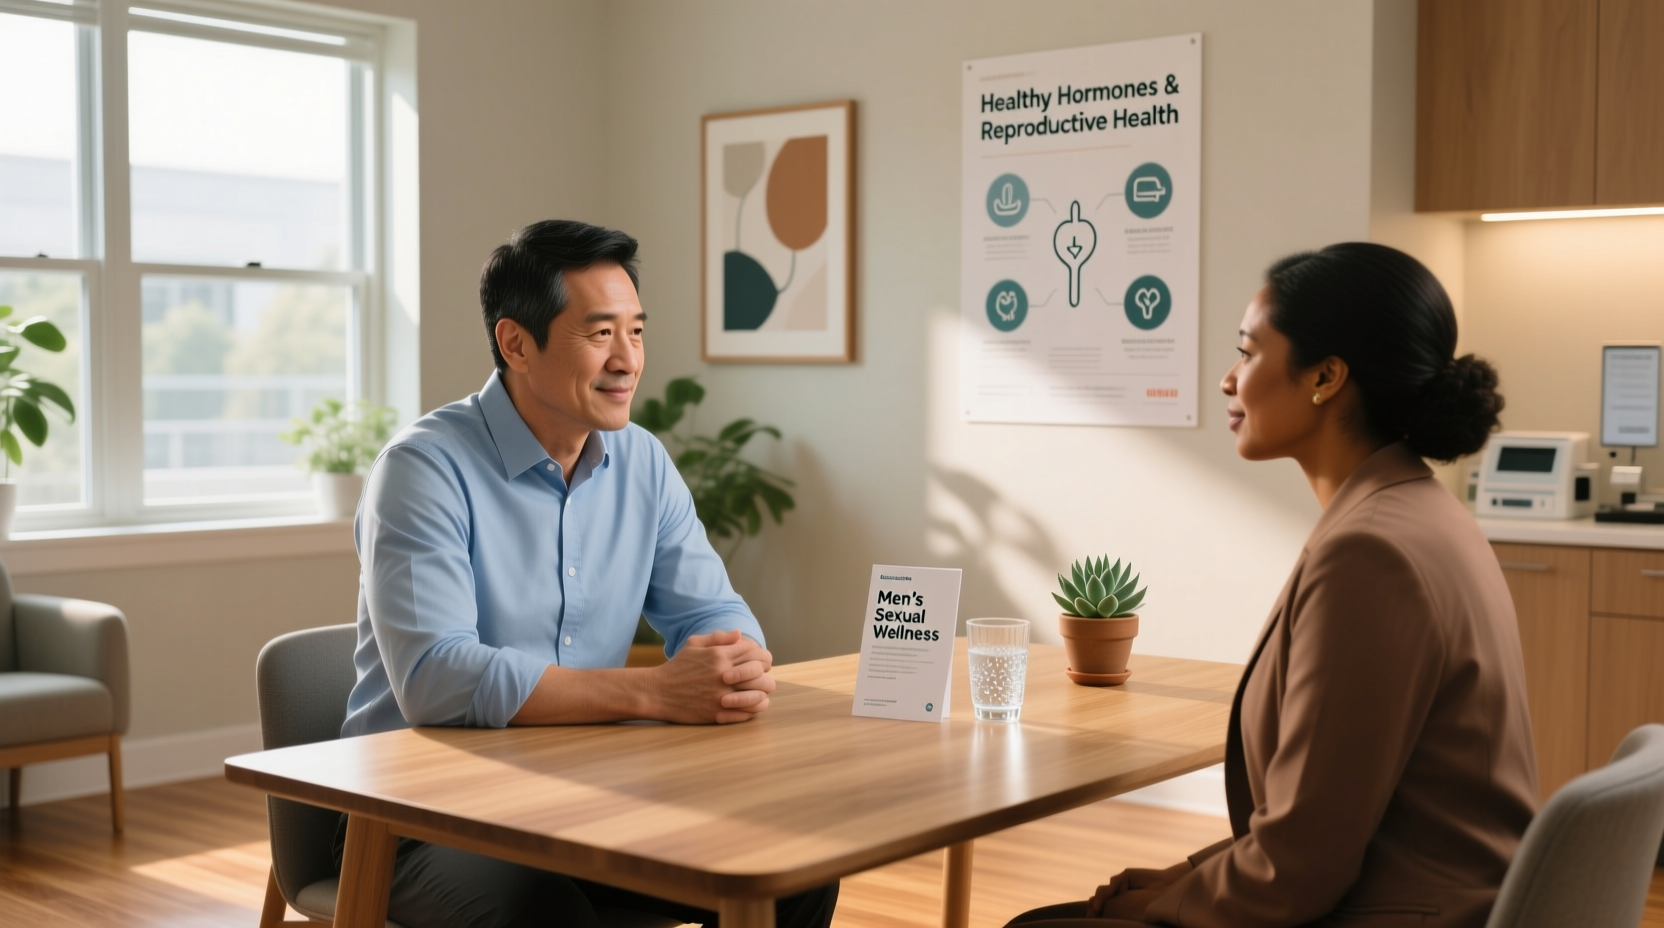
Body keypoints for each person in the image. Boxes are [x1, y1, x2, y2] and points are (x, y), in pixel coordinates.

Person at [1008, 243, 1537, 928]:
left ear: (1325, 376)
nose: (1230, 380)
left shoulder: (1370, 554)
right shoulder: (1421, 510)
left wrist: (1172, 902)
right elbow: (1329, 813)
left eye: (1249, 352)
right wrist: (1190, 874)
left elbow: (1304, 861)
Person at [338, 219, 839, 928]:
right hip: (419, 817)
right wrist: (656, 691)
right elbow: (437, 679)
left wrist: (733, 661)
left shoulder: (641, 461)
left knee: (795, 873)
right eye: (600, 333)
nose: (628, 360)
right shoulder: (424, 469)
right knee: (541, 913)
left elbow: (710, 613)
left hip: (585, 798)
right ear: (516, 342)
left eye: (636, 332)